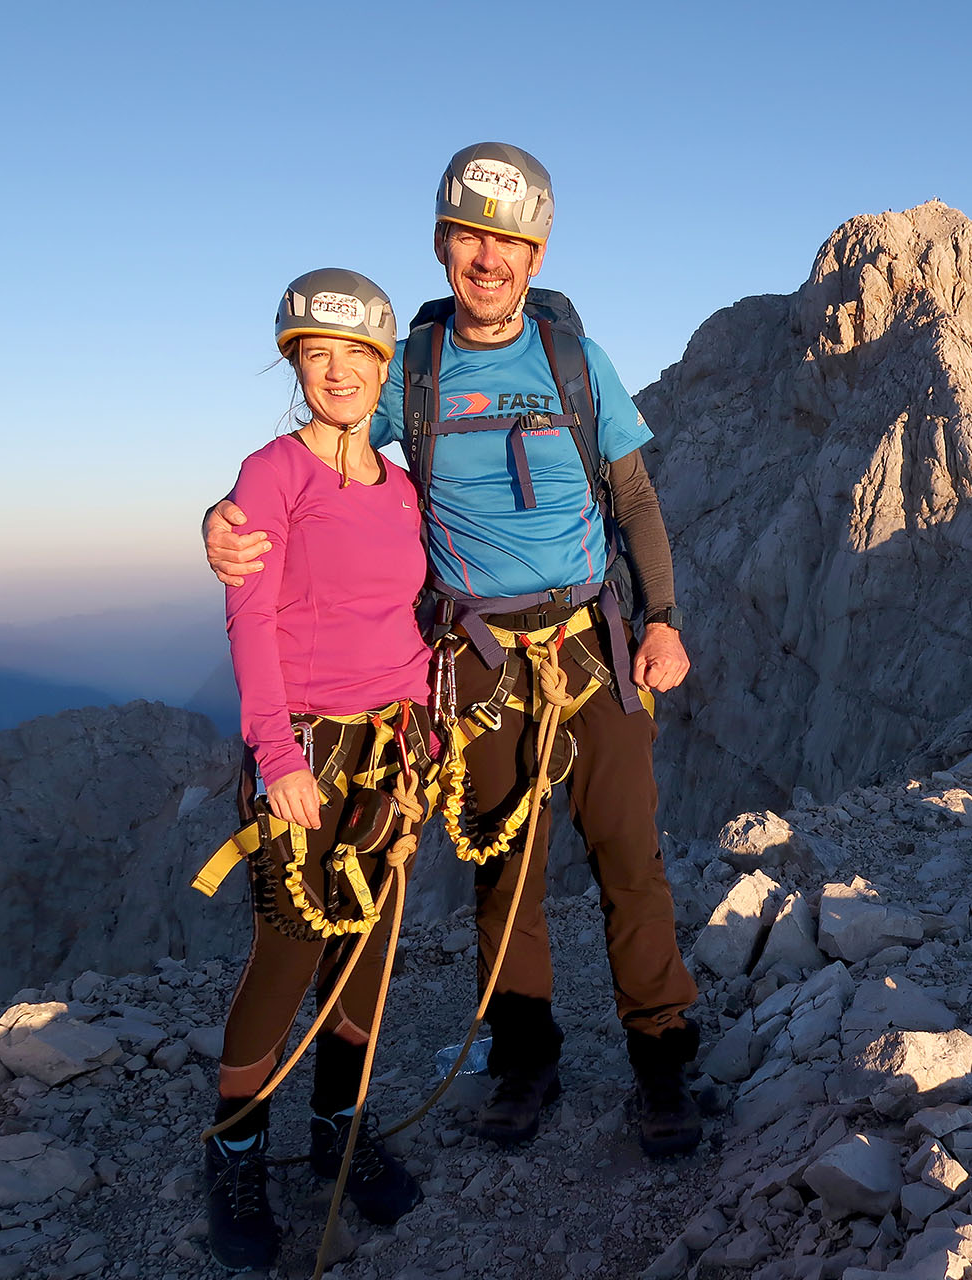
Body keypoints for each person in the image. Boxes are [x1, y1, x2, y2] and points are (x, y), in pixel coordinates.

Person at [205, 143, 704, 1159]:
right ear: (442, 245)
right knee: (504, 865)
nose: (489, 258)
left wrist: (661, 617)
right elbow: (326, 445)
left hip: (590, 640)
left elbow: (635, 496)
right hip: (474, 658)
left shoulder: (576, 360)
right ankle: (524, 1059)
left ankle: (661, 1064)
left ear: (538, 250)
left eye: (509, 240)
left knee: (628, 855)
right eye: (471, 235)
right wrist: (223, 515)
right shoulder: (414, 372)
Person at [198, 268, 435, 1271]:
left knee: (369, 953)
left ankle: (339, 1128)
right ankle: (235, 1152)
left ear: (384, 367)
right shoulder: (271, 472)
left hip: (389, 747)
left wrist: (421, 730)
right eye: (316, 356)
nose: (336, 372)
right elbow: (249, 620)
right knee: (287, 954)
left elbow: (406, 620)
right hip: (303, 745)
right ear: (298, 365)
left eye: (355, 356)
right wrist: (275, 753)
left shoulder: (403, 484)